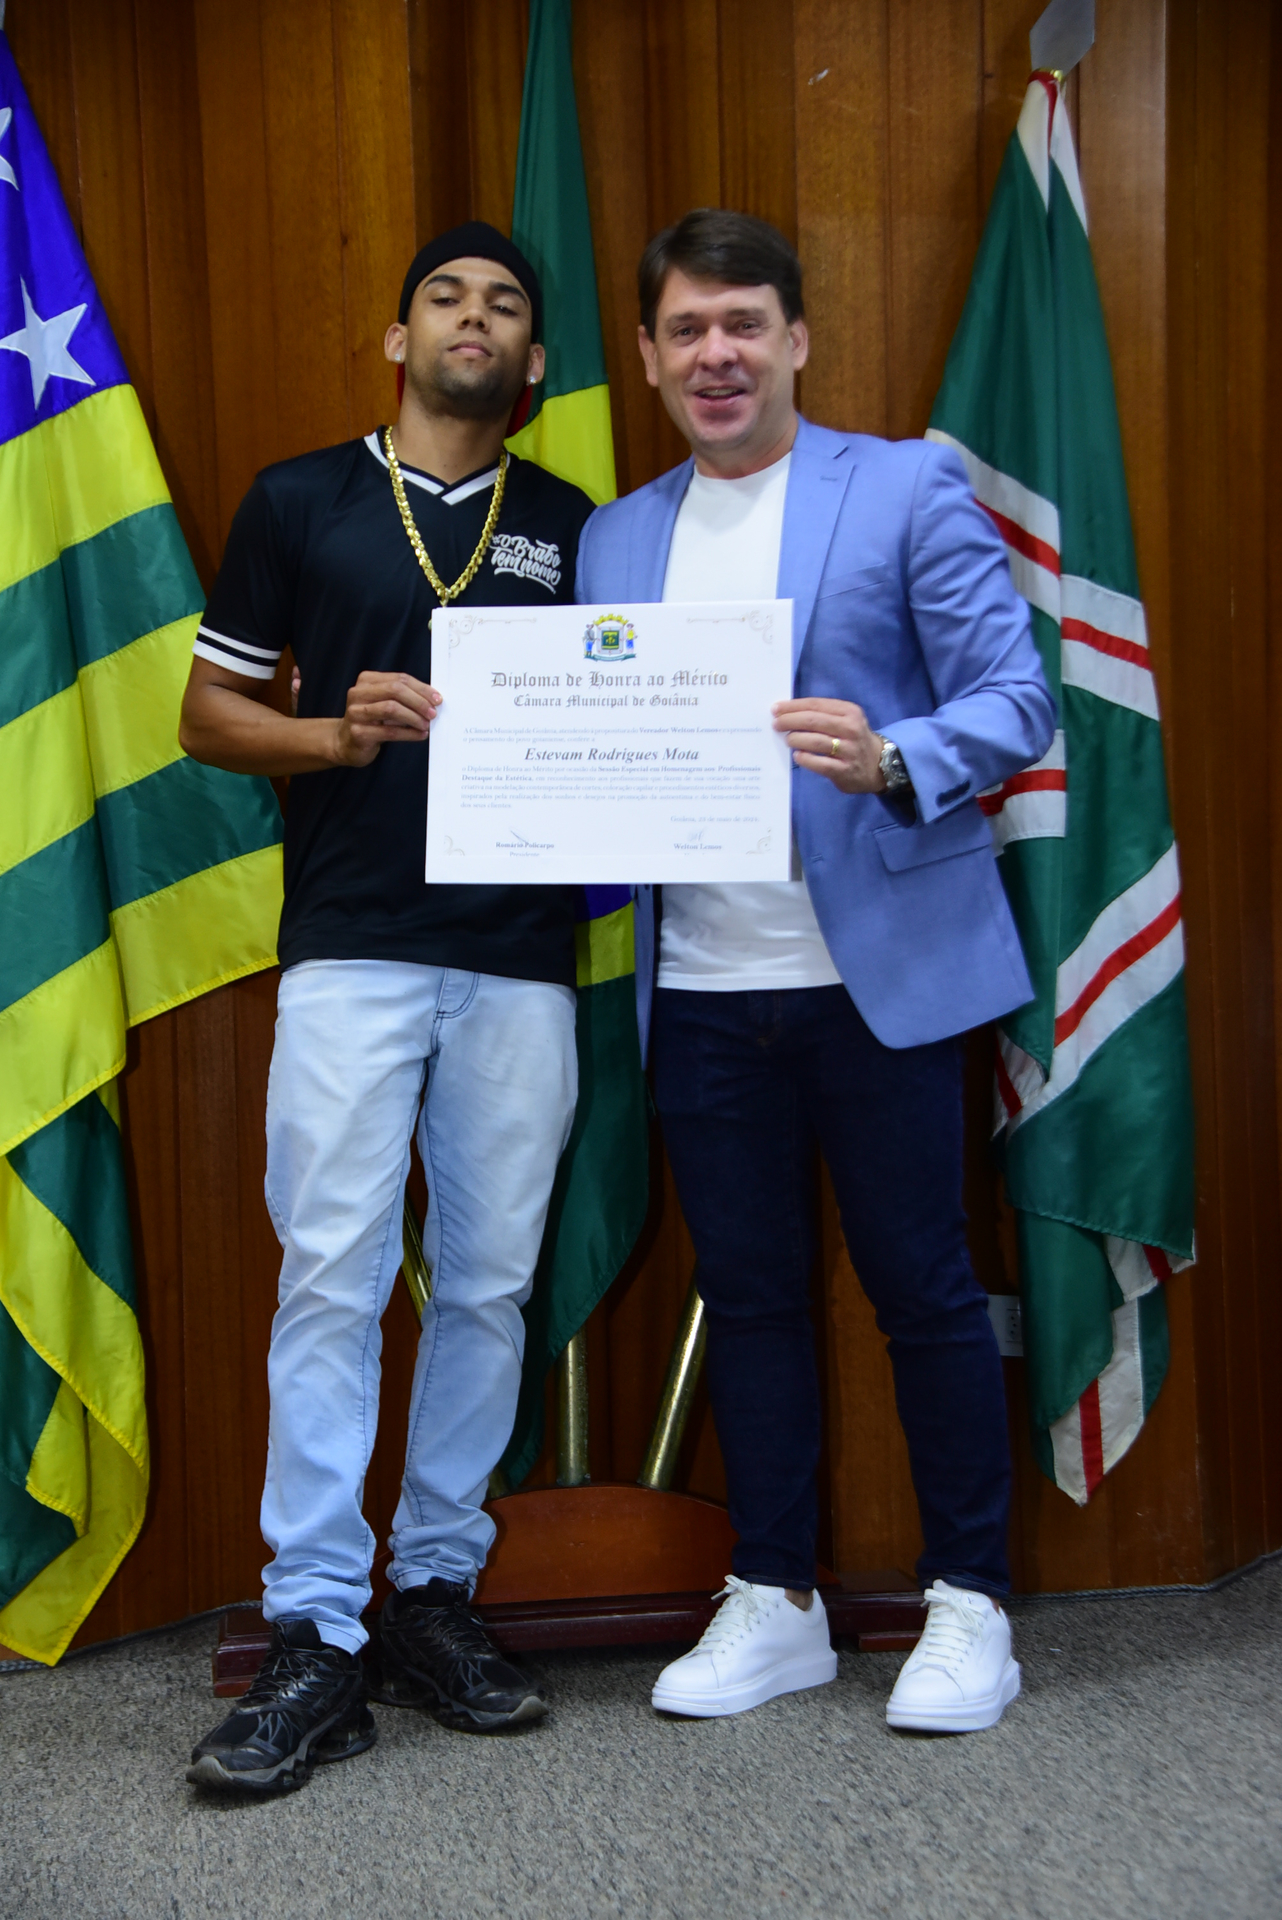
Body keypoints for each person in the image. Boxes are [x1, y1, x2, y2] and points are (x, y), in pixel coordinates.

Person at [576, 209, 1056, 1733]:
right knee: (749, 1294)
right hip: (701, 991)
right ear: (647, 356)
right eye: (685, 329)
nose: (714, 353)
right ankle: (774, 1597)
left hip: (880, 979)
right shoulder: (613, 537)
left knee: (922, 1288)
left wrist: (893, 753)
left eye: (743, 324)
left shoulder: (902, 484)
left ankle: (968, 1602)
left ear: (795, 338)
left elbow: (1019, 700)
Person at [179, 223, 594, 1793]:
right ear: (397, 337)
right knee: (331, 1276)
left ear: (533, 362)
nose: (473, 318)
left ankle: (432, 1592)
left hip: (522, 953)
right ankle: (312, 1624)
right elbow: (207, 713)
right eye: (445, 297)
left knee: (486, 1284)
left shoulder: (573, 523)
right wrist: (329, 738)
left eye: (504, 305)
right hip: (351, 940)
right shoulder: (299, 498)